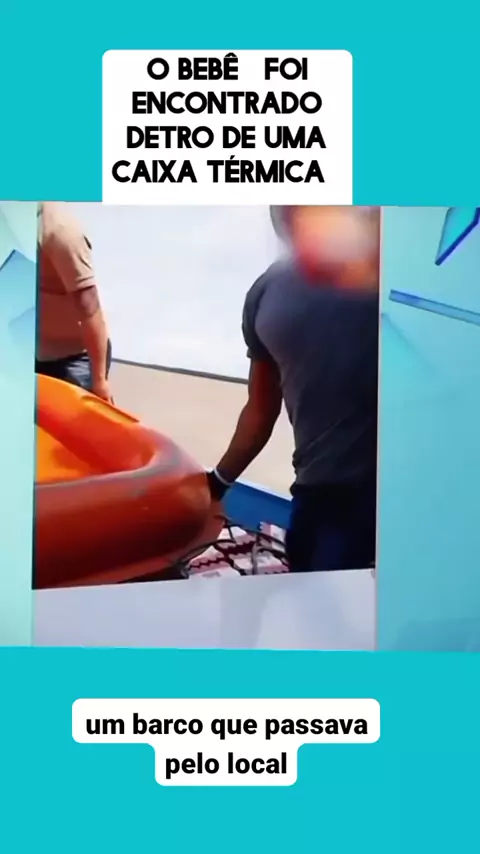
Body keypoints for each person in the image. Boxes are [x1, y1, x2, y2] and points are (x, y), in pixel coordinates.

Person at [207, 205, 380, 573]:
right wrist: (216, 483)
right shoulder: (265, 293)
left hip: (397, 494)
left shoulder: (389, 263)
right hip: (316, 495)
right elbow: (260, 409)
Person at [35, 202, 113, 401]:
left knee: (81, 417)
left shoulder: (61, 233)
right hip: (29, 350)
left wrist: (99, 383)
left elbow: (90, 310)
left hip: (75, 357)